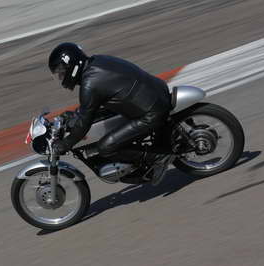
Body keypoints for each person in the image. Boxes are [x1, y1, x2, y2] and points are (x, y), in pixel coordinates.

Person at [48, 42, 174, 185]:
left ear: (72, 66)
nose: (61, 76)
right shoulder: (97, 61)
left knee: (105, 147)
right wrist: (74, 115)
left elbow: (84, 123)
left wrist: (66, 144)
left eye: (62, 71)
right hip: (156, 91)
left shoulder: (90, 84)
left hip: (151, 113)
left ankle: (157, 157)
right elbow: (91, 105)